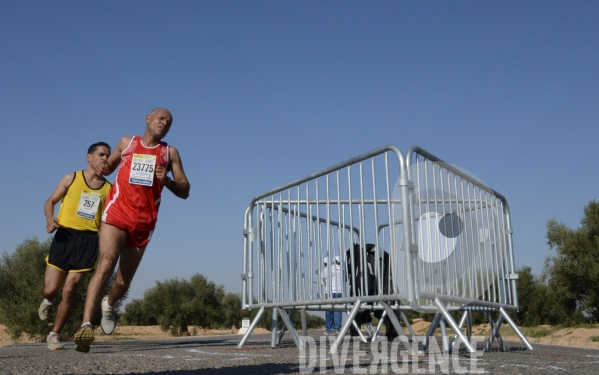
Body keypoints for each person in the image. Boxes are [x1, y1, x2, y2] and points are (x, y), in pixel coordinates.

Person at [73, 108, 190, 353]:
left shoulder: (170, 153)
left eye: (168, 122)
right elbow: (108, 168)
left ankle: (109, 304)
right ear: (147, 119)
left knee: (123, 280)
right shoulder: (127, 143)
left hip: (144, 223)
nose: (164, 122)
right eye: (161, 118)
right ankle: (85, 325)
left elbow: (185, 190)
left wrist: (166, 180)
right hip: (117, 214)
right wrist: (100, 167)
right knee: (105, 263)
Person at [39, 142, 112, 350]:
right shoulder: (71, 178)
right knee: (50, 289)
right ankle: (48, 300)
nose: (104, 158)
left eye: (107, 155)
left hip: (88, 241)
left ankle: (54, 335)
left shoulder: (108, 189)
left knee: (70, 290)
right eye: (100, 154)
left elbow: (109, 220)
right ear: (88, 157)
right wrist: (50, 218)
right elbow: (49, 201)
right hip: (64, 237)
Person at [321, 256, 343, 335]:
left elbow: (322, 282)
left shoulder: (327, 269)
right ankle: (336, 329)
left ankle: (329, 330)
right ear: (339, 262)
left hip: (329, 292)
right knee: (338, 310)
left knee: (329, 311)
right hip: (339, 291)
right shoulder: (342, 269)